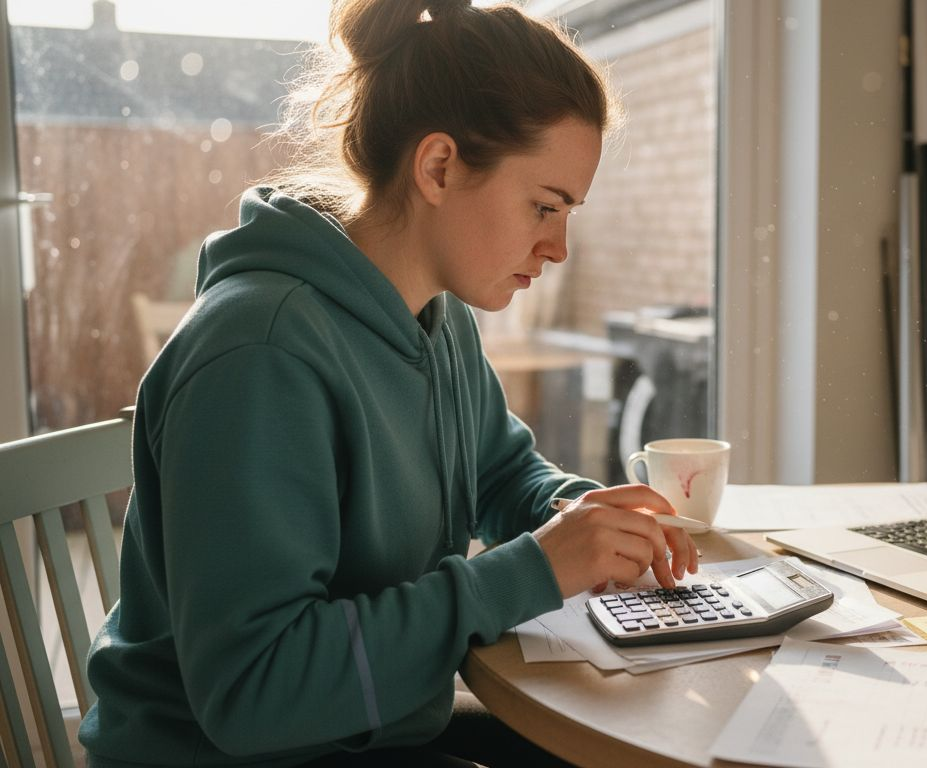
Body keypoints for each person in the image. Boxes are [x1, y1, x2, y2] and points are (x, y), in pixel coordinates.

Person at [78, 1, 698, 765]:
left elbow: (500, 471)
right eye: (544, 205)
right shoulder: (262, 355)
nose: (559, 247)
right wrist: (533, 569)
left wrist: (573, 514)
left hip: (368, 732)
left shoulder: (436, 313)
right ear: (438, 167)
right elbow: (254, 693)